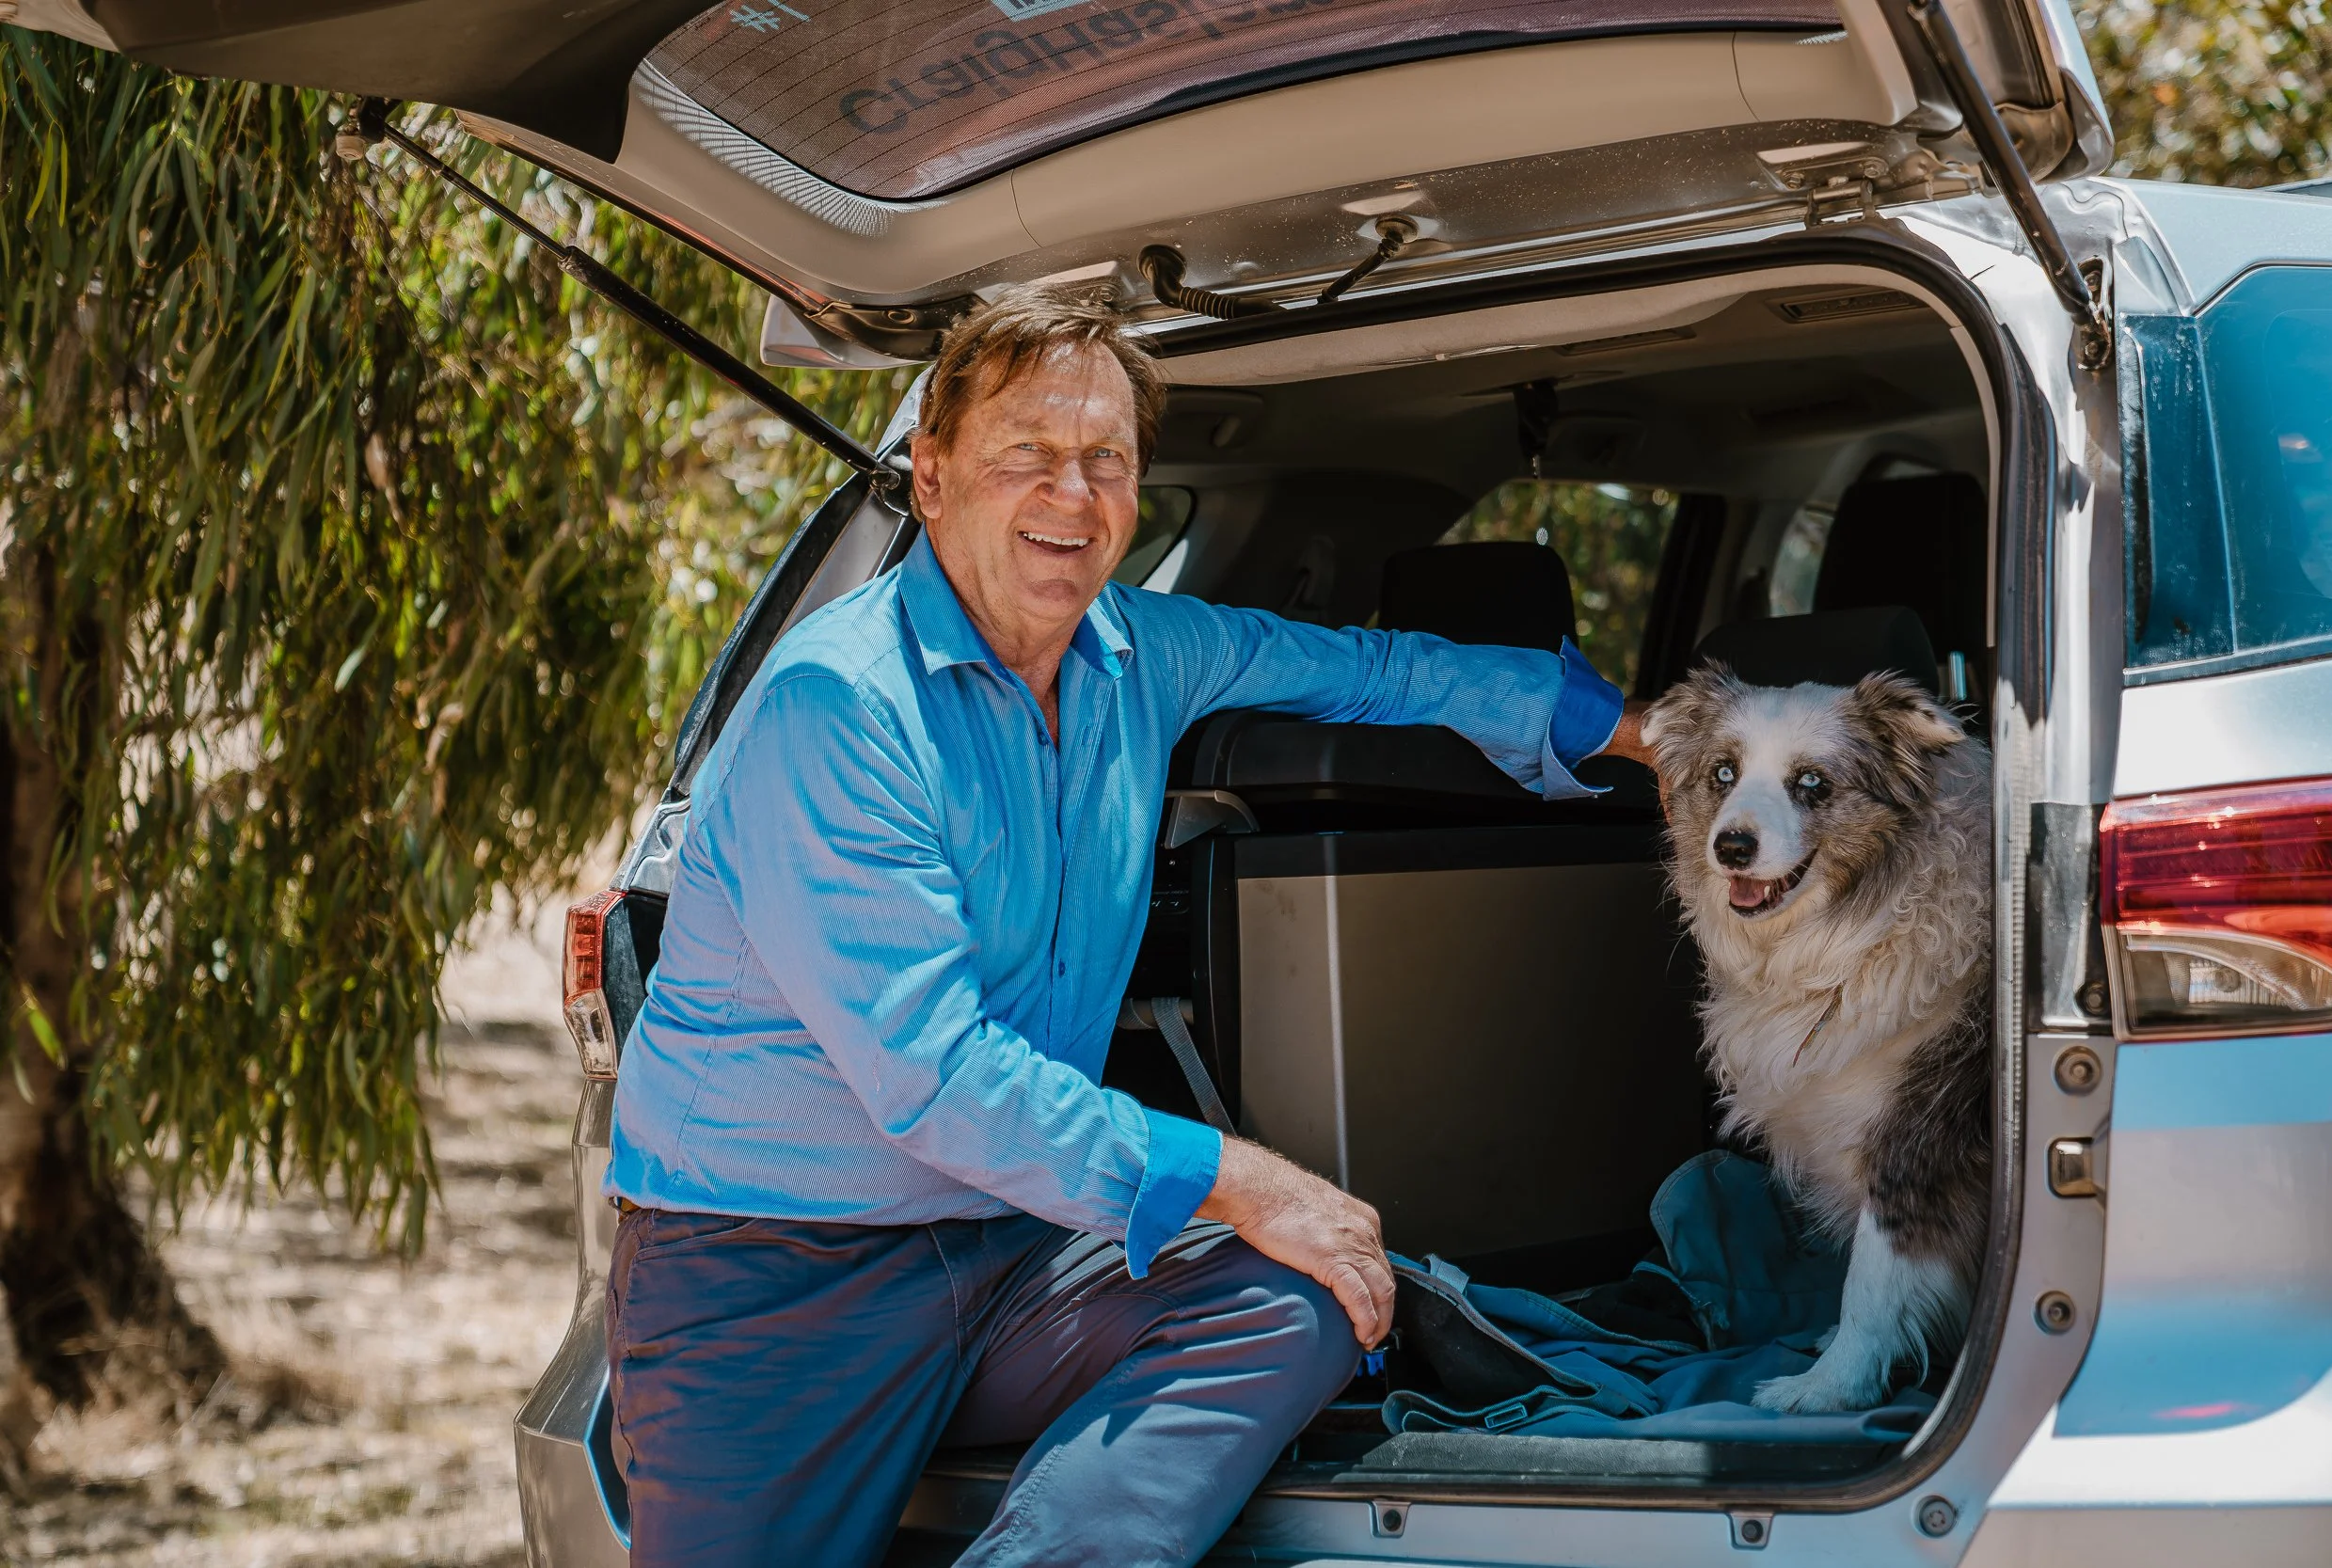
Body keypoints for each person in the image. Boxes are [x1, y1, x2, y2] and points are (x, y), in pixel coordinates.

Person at [601, 282, 1650, 1567]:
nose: (1074, 496)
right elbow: (937, 1080)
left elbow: (1367, 670)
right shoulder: (839, 707)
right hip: (769, 1281)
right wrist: (1246, 1176)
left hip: (1006, 1248)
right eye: (1026, 457)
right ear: (928, 478)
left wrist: (1634, 730)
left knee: (1310, 1291)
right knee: (1285, 1223)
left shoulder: (1142, 649)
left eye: (1107, 460)